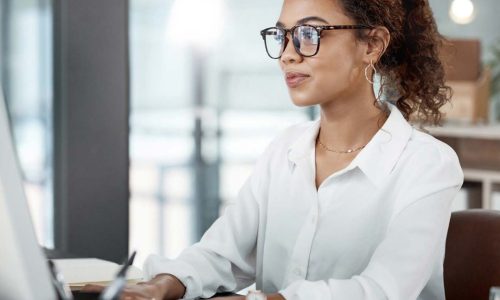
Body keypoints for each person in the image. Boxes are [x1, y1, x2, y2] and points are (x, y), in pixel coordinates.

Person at [84, 0, 463, 299]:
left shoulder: (427, 164)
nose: (287, 55)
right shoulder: (285, 150)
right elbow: (221, 253)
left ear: (373, 44)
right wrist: (161, 286)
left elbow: (383, 291)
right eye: (281, 36)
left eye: (309, 34)